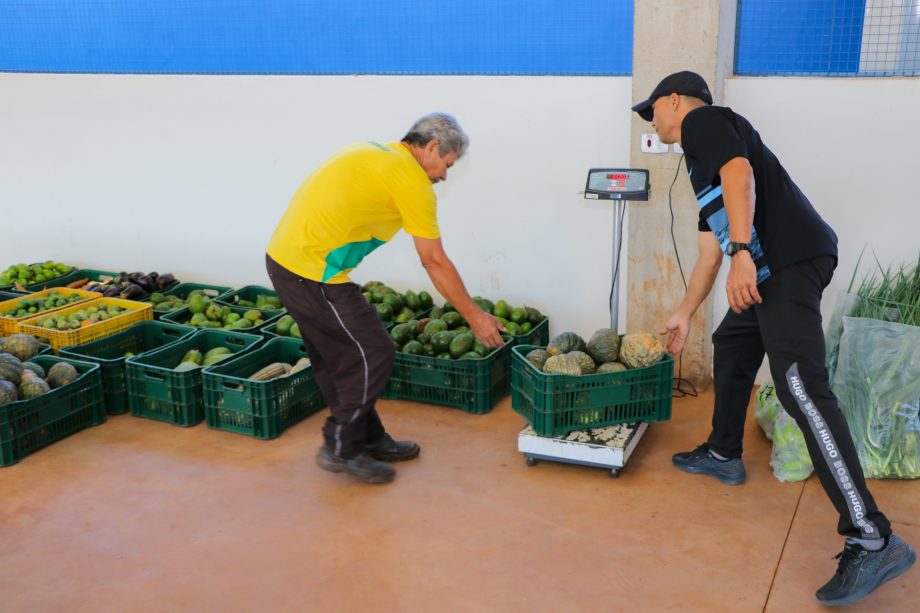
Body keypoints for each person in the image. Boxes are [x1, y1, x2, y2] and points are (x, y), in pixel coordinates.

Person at [631, 71, 915, 606]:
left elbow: (741, 177)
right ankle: (723, 452)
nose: (652, 120)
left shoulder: (705, 122)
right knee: (732, 342)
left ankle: (872, 536)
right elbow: (710, 254)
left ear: (674, 101)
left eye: (654, 109)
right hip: (770, 268)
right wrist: (684, 313)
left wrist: (744, 252)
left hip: (784, 262)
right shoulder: (701, 169)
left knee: (800, 389)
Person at [265, 112, 504, 485]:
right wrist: (474, 315)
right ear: (431, 147)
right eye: (446, 165)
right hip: (310, 271)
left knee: (338, 356)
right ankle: (342, 447)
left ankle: (367, 438)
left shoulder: (380, 152)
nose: (443, 176)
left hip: (288, 260)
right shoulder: (411, 180)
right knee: (374, 350)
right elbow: (434, 261)